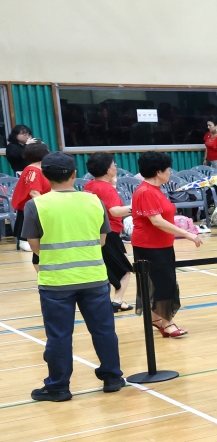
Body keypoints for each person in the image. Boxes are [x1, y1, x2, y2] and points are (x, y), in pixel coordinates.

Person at [22, 152, 124, 401]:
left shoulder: (36, 205)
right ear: (74, 174)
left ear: (45, 176)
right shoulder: (94, 201)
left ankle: (58, 386)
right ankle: (112, 377)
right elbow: (102, 240)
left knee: (58, 335)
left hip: (56, 282)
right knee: (103, 330)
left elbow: (34, 246)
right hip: (94, 278)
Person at [131, 151, 202, 338]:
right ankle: (167, 323)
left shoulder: (155, 190)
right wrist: (188, 234)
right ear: (158, 172)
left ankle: (157, 319)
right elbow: (157, 221)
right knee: (164, 284)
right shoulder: (146, 191)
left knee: (163, 283)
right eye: (168, 169)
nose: (170, 172)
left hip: (162, 244)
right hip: (150, 246)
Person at [82, 153, 135, 313]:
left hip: (93, 232)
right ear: (107, 169)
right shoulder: (106, 189)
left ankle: (115, 301)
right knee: (125, 270)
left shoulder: (89, 185)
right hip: (109, 232)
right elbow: (115, 211)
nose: (116, 167)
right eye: (113, 164)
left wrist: (113, 184)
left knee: (104, 267)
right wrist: (137, 207)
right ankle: (117, 301)